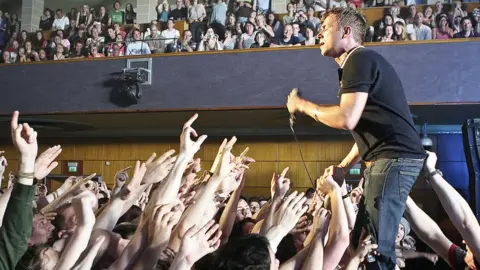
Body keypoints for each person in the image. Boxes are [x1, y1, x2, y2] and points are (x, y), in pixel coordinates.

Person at [286, 7, 426, 270]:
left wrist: (302, 105)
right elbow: (365, 129)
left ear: (346, 32)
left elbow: (346, 119)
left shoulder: (358, 60)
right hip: (385, 157)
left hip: (393, 158)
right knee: (359, 244)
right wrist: (343, 167)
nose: (319, 33)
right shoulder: (356, 63)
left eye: (326, 27)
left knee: (373, 250)